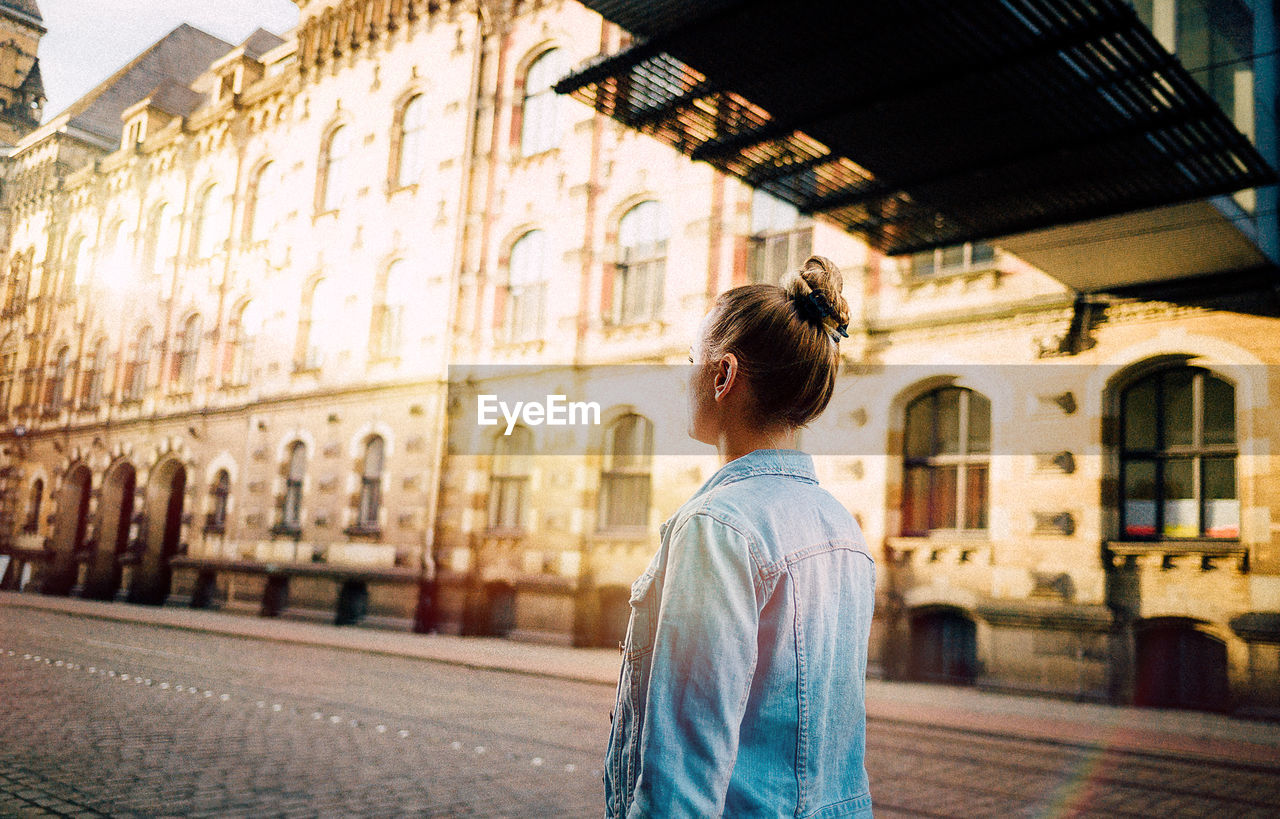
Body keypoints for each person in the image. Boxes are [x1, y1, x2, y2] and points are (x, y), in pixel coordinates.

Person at [604, 256, 876, 817]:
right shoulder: (841, 525)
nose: (682, 376)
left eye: (689, 360)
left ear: (722, 376)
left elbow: (682, 779)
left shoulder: (717, 527)